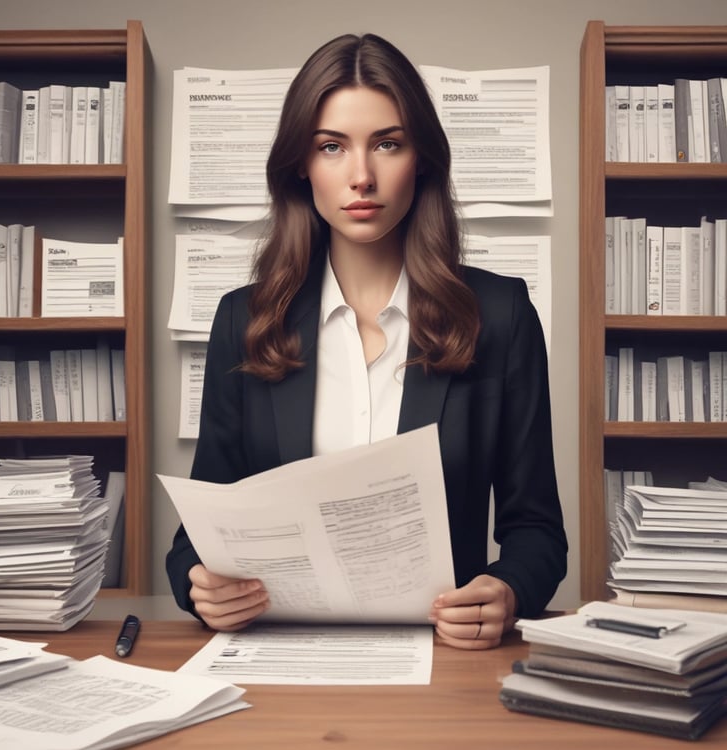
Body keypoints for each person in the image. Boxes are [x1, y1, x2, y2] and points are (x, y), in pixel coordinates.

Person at [166, 32, 567, 650]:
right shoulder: (244, 321)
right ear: (301, 164)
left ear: (422, 157)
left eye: (387, 143)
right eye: (332, 147)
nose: (361, 176)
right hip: (279, 655)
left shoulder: (502, 314)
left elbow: (537, 530)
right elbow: (197, 537)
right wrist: (199, 586)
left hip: (447, 658)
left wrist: (508, 590)